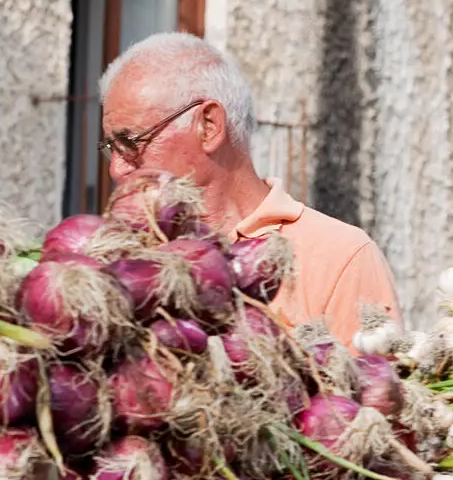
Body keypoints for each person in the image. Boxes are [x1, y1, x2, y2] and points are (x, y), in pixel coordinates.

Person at [99, 33, 400, 346]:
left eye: (130, 143)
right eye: (110, 147)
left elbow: (373, 390)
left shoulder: (340, 257)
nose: (116, 168)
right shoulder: (122, 259)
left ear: (209, 126)